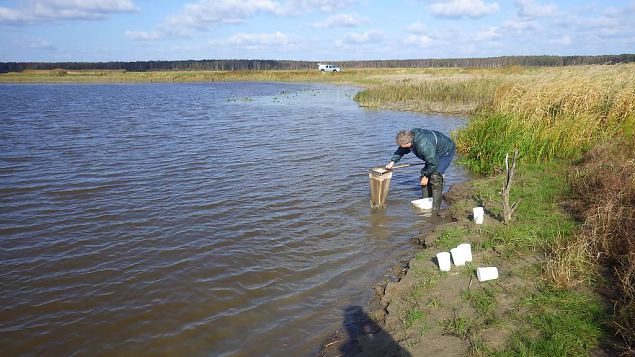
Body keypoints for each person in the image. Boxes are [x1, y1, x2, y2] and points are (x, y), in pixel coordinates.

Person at [386, 128, 455, 212]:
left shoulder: (423, 145)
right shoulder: (410, 138)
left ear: (408, 143)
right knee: (424, 176)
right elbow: (401, 150)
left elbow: (433, 163)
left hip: (445, 152)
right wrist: (392, 162)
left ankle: (435, 209)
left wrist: (426, 176)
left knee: (435, 177)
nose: (401, 147)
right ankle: (426, 201)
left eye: (402, 145)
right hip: (433, 153)